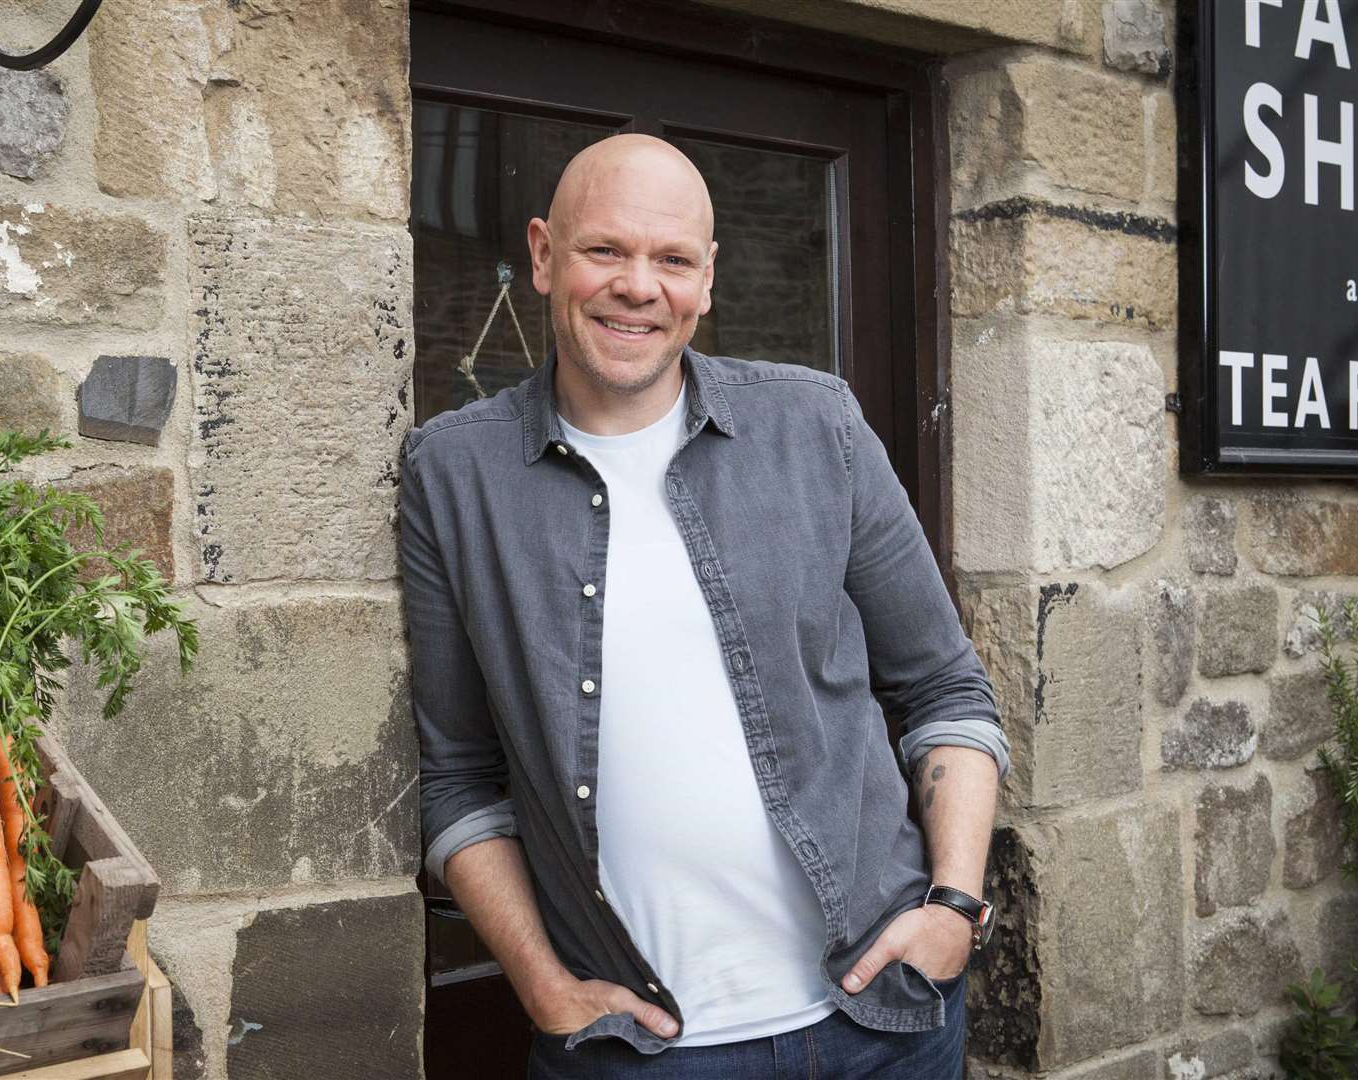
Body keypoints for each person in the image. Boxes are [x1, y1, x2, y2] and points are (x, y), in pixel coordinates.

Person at [399, 133, 1009, 1079]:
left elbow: (946, 692)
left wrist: (955, 910)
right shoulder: (454, 473)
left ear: (707, 279)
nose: (639, 286)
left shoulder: (818, 427)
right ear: (543, 254)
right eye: (606, 250)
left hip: (887, 1017)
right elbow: (459, 779)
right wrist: (542, 989)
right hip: (639, 1048)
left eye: (672, 260)